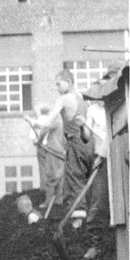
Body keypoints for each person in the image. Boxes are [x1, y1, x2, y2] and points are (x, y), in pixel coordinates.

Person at [25, 70, 93, 225]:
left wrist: (35, 127)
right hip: (88, 141)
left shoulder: (63, 99)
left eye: (58, 84)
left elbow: (48, 122)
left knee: (73, 180)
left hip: (75, 142)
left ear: (68, 81)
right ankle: (87, 216)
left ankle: (77, 222)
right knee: (84, 178)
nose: (57, 88)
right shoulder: (82, 98)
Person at [25, 104, 65, 210]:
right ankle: (58, 201)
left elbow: (44, 127)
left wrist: (39, 140)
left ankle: (49, 202)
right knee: (58, 176)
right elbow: (41, 126)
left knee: (50, 176)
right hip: (60, 151)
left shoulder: (55, 120)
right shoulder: (59, 120)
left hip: (53, 150)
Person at [83, 99, 109, 226]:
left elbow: (108, 136)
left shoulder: (111, 107)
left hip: (111, 152)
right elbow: (87, 136)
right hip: (98, 153)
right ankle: (94, 221)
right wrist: (85, 126)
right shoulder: (92, 110)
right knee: (98, 188)